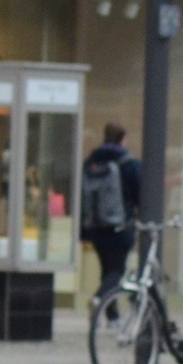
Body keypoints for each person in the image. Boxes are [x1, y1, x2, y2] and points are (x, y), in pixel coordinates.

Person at [80, 122, 142, 295]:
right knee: (116, 272)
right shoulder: (130, 164)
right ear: (123, 139)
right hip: (121, 227)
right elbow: (140, 195)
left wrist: (83, 231)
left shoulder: (91, 162)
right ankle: (100, 299)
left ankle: (111, 315)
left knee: (106, 271)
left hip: (96, 226)